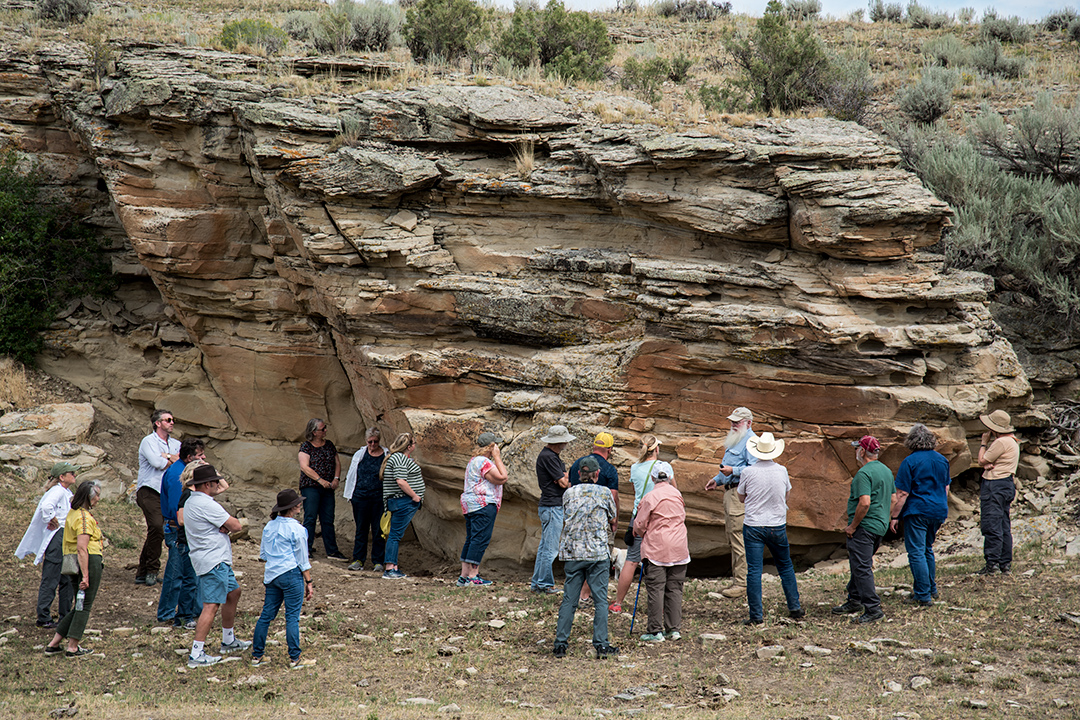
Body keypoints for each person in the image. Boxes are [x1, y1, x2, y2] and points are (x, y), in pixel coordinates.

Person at [183, 463, 249, 668]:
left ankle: (228, 640)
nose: (217, 485)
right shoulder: (206, 504)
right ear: (207, 484)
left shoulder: (194, 501)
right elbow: (236, 525)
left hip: (214, 559)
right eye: (214, 482)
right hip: (214, 560)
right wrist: (226, 526)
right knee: (211, 605)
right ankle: (197, 653)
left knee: (233, 592)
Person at [552, 457, 619, 659]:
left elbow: (566, 515)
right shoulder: (605, 492)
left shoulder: (568, 493)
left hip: (573, 552)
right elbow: (612, 517)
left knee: (569, 600)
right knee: (600, 600)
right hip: (597, 552)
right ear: (597, 475)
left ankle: (560, 644)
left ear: (579, 474)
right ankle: (601, 644)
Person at [739, 432, 804, 625]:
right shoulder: (782, 470)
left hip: (753, 525)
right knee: (785, 566)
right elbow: (787, 494)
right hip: (776, 524)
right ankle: (795, 608)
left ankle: (756, 616)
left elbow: (742, 497)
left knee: (754, 571)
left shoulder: (748, 472)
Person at [832, 436, 895, 624]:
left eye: (856, 449)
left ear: (861, 452)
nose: (855, 453)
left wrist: (853, 526)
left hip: (864, 527)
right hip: (879, 526)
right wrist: (885, 519)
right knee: (859, 563)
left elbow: (864, 502)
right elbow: (893, 499)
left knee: (861, 567)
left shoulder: (863, 474)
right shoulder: (886, 471)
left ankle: (873, 609)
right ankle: (854, 600)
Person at [251, 489, 316, 669]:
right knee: (292, 618)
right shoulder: (298, 529)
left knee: (266, 616)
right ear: (294, 507)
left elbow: (263, 554)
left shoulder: (269, 526)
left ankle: (257, 655)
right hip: (290, 573)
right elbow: (303, 560)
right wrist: (309, 582)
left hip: (272, 574)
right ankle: (295, 658)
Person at [890, 424, 952, 607]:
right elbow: (946, 487)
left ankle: (922, 595)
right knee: (927, 549)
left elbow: (902, 493)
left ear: (911, 441)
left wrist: (895, 516)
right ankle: (931, 589)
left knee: (916, 551)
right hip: (938, 509)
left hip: (918, 510)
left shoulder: (910, 461)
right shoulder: (942, 460)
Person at [704, 407, 758, 599]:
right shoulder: (738, 438)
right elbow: (727, 467)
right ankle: (740, 580)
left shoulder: (751, 441)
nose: (733, 424)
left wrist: (733, 471)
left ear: (749, 423)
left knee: (738, 538)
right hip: (731, 492)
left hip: (739, 494)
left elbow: (754, 470)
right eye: (732, 421)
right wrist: (717, 480)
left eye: (738, 421)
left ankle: (742, 584)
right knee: (733, 536)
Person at [44, 481, 103, 657]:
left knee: (79, 604)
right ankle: (73, 646)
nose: (98, 499)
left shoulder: (73, 513)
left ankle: (54, 643)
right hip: (87, 561)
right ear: (88, 497)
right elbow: (82, 548)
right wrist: (86, 575)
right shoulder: (84, 518)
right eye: (96, 496)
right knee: (84, 605)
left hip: (72, 561)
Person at [17, 462, 77, 629]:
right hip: (59, 536)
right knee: (52, 576)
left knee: (66, 576)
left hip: (66, 535)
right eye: (71, 472)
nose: (74, 475)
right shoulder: (57, 490)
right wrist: (51, 519)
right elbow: (46, 506)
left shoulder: (65, 492)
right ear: (62, 477)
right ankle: (43, 616)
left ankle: (64, 615)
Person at [633, 461, 689, 642]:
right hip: (679, 547)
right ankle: (674, 629)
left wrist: (643, 533)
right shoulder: (678, 495)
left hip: (657, 548)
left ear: (652, 478)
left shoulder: (650, 497)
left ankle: (655, 631)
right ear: (670, 476)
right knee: (675, 589)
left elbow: (640, 524)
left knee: (656, 589)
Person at [610, 435, 660, 613]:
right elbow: (672, 490)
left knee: (631, 560)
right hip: (657, 518)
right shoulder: (664, 467)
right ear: (656, 449)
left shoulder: (635, 467)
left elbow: (636, 491)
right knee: (657, 562)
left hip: (637, 516)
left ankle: (618, 603)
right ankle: (658, 606)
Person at [158, 439, 205, 627]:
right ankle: (167, 613)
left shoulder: (183, 471)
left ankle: (189, 611)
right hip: (177, 531)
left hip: (182, 530)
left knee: (187, 573)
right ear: (189, 457)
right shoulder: (178, 476)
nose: (203, 458)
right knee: (176, 574)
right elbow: (178, 509)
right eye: (200, 455)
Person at [136, 408, 181, 586]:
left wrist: (166, 456)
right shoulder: (148, 441)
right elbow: (157, 463)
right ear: (158, 423)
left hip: (167, 493)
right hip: (149, 490)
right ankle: (152, 570)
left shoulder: (176, 443)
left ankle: (142, 571)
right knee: (157, 526)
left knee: (156, 530)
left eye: (172, 419)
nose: (172, 422)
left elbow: (183, 461)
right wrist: (172, 458)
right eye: (168, 420)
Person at [458, 432, 509, 587]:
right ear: (491, 446)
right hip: (483, 505)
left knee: (472, 538)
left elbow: (495, 481)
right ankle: (473, 577)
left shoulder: (474, 461)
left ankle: (464, 576)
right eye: (496, 445)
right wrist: (497, 457)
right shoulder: (484, 461)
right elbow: (503, 477)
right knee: (480, 539)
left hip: (471, 504)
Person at [530, 425, 575, 595]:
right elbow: (564, 483)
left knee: (544, 547)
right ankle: (544, 584)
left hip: (549, 505)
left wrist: (563, 477)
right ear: (560, 441)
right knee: (550, 548)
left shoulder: (550, 456)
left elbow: (562, 480)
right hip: (553, 506)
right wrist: (566, 476)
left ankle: (538, 583)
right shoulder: (549, 457)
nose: (566, 443)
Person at [977, 410, 1020, 575]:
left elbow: (982, 460)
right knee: (1003, 523)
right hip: (1006, 483)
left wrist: (983, 443)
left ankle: (992, 563)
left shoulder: (1000, 442)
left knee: (991, 523)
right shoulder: (1012, 441)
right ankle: (1004, 563)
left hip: (994, 485)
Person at [298, 418, 344, 559]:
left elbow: (337, 462)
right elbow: (304, 467)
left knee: (328, 519)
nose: (325, 431)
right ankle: (306, 548)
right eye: (322, 429)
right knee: (310, 517)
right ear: (314, 432)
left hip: (328, 487)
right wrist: (320, 480)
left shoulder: (329, 445)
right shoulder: (306, 447)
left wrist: (336, 478)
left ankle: (332, 550)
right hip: (311, 487)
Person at [343, 427, 388, 572]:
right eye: (370, 442)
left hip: (378, 498)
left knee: (378, 530)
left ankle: (378, 561)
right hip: (360, 497)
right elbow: (352, 475)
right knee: (361, 529)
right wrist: (350, 494)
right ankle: (358, 560)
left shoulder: (386, 455)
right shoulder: (360, 454)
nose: (373, 444)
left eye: (375, 441)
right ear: (366, 441)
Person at [380, 432, 424, 580]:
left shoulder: (398, 457)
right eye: (414, 443)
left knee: (395, 534)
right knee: (395, 535)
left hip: (402, 501)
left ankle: (394, 567)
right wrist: (414, 496)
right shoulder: (399, 458)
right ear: (409, 446)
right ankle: (390, 569)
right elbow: (401, 481)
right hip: (403, 501)